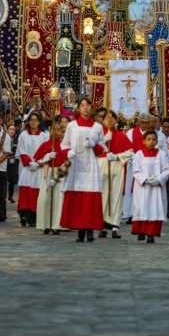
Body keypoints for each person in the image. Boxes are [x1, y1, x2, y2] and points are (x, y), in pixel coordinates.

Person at [60, 98, 106, 242]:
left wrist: (94, 145)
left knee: (90, 198)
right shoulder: (72, 126)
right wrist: (68, 152)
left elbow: (102, 149)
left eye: (88, 105)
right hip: (76, 165)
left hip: (91, 165)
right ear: (78, 108)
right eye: (82, 105)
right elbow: (65, 143)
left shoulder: (97, 127)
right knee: (78, 198)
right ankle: (80, 229)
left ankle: (90, 229)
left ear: (92, 108)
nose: (85, 108)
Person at [98, 110, 133, 239]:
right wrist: (103, 142)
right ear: (103, 121)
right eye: (107, 118)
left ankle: (114, 226)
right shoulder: (98, 134)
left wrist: (117, 156)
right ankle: (102, 226)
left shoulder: (122, 136)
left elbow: (130, 152)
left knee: (116, 196)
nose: (110, 120)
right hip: (102, 165)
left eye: (112, 118)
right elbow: (92, 149)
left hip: (117, 166)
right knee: (103, 196)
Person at [131, 130, 169, 243]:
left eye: (153, 140)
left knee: (154, 208)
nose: (151, 142)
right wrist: (145, 179)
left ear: (157, 141)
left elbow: (167, 169)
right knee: (141, 207)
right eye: (148, 139)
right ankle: (141, 231)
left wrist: (158, 179)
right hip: (143, 187)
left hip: (156, 188)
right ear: (143, 141)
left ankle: (151, 233)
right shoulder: (138, 155)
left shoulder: (161, 154)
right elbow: (136, 170)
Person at [34, 122, 67, 234]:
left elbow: (66, 162)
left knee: (58, 200)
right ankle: (46, 224)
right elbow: (38, 159)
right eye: (54, 129)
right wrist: (48, 156)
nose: (56, 132)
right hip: (48, 173)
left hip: (59, 173)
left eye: (58, 130)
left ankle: (56, 225)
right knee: (45, 199)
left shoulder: (63, 145)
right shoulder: (46, 144)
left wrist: (58, 176)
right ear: (50, 130)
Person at [16, 112, 47, 227]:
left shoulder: (44, 136)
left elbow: (45, 151)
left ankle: (34, 215)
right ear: (28, 122)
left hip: (38, 168)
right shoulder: (23, 135)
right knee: (25, 191)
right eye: (31, 120)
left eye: (36, 120)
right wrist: (29, 162)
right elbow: (21, 150)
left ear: (39, 122)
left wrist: (38, 163)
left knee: (36, 192)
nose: (33, 122)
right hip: (27, 167)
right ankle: (24, 213)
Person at [6, 123, 19, 204]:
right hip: (5, 160)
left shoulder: (17, 140)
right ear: (7, 130)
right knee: (4, 180)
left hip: (13, 161)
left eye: (13, 129)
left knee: (12, 179)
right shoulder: (4, 139)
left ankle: (10, 196)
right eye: (10, 129)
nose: (11, 131)